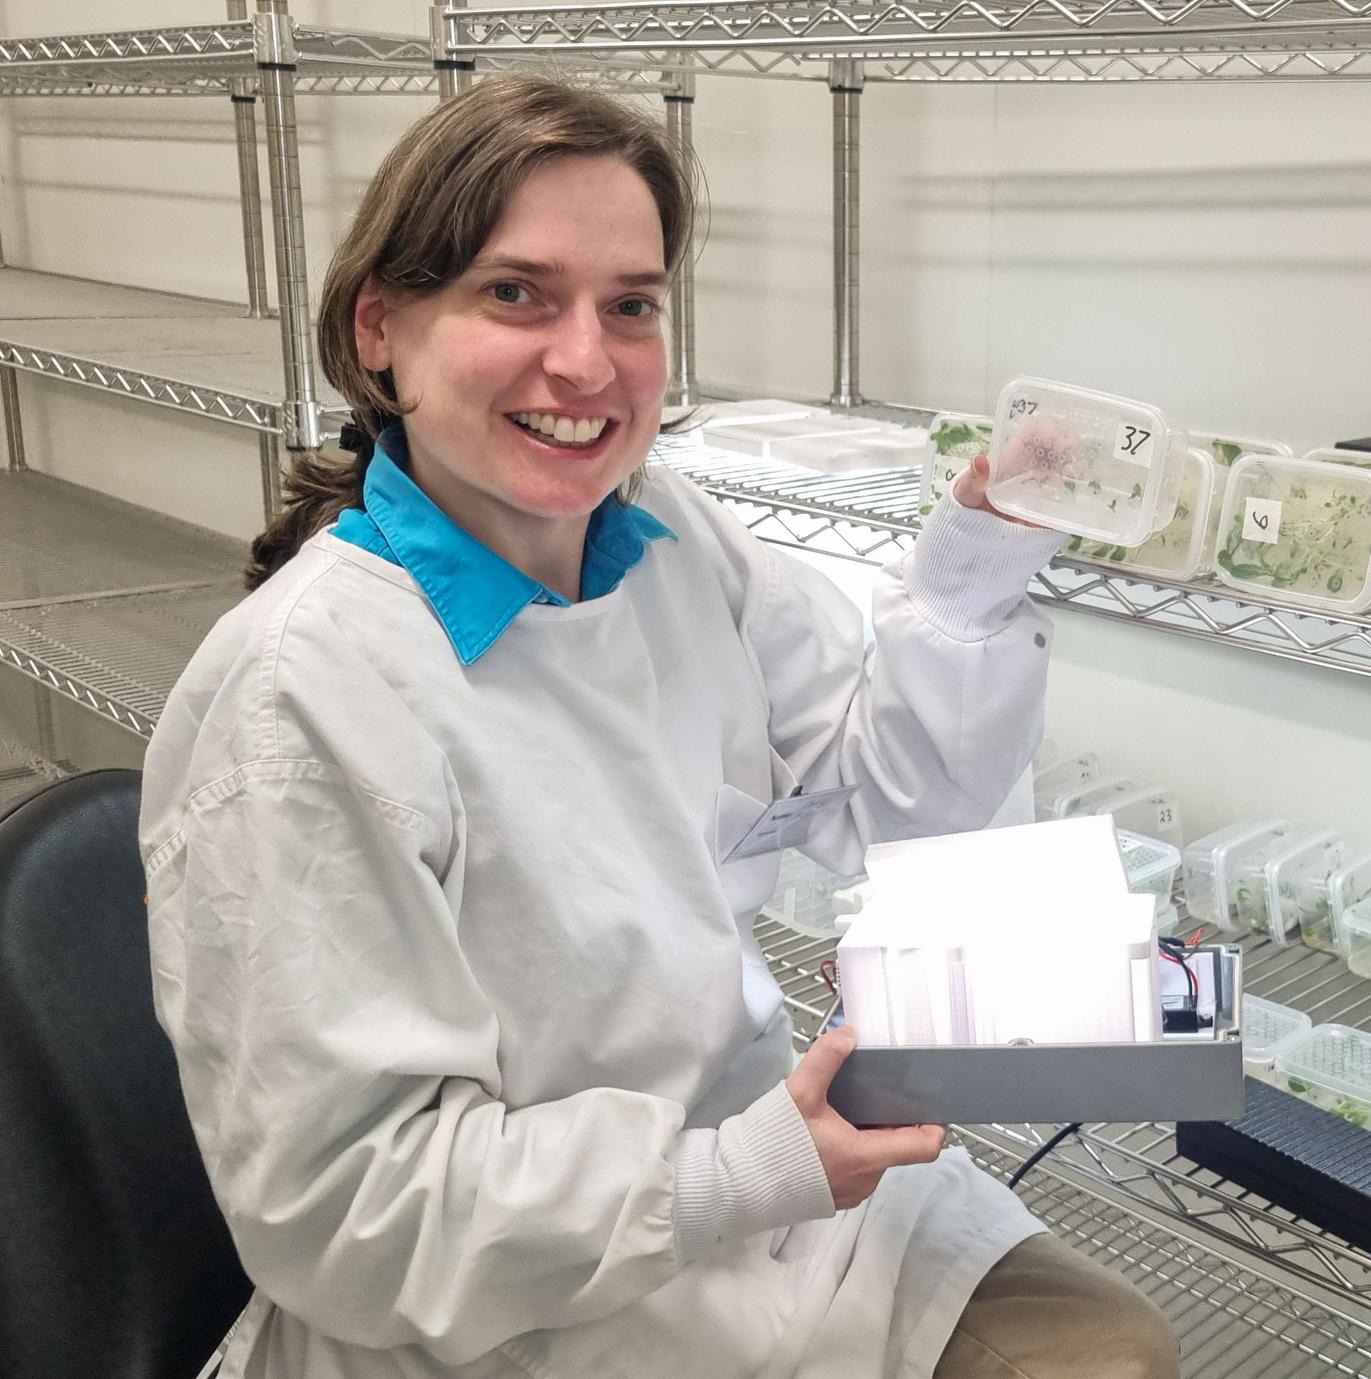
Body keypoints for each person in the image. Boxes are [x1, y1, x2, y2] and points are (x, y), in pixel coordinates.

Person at [139, 75, 1181, 1379]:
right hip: (512, 1302)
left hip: (767, 1194)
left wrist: (972, 572)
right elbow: (346, 1218)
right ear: (383, 324)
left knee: (1110, 1352)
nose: (587, 361)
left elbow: (905, 809)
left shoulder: (671, 540)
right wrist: (745, 1168)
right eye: (516, 293)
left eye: (629, 304)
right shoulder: (304, 700)